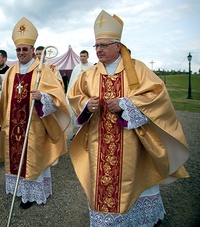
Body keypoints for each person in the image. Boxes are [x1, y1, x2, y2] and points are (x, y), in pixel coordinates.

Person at [68, 10, 190, 226]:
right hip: (99, 141)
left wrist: (128, 104)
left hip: (132, 140)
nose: (99, 50)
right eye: (97, 46)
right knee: (102, 183)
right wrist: (87, 105)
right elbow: (75, 96)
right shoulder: (89, 74)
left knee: (135, 179)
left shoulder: (138, 69)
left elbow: (157, 96)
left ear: (118, 46)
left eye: (104, 45)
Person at [0, 17, 70, 209]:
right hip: (14, 124)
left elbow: (58, 96)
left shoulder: (42, 71)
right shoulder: (11, 71)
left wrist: (43, 97)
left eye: (25, 49)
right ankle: (21, 191)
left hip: (35, 124)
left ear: (32, 50)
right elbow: (4, 99)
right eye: (18, 50)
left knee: (34, 157)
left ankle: (34, 193)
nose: (21, 53)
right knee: (16, 157)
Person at [67, 50, 94, 139]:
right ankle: (76, 134)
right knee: (76, 113)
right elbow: (72, 82)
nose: (82, 58)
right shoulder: (77, 68)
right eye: (81, 56)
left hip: (88, 93)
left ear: (87, 56)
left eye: (84, 56)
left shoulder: (92, 67)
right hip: (78, 94)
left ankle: (88, 134)